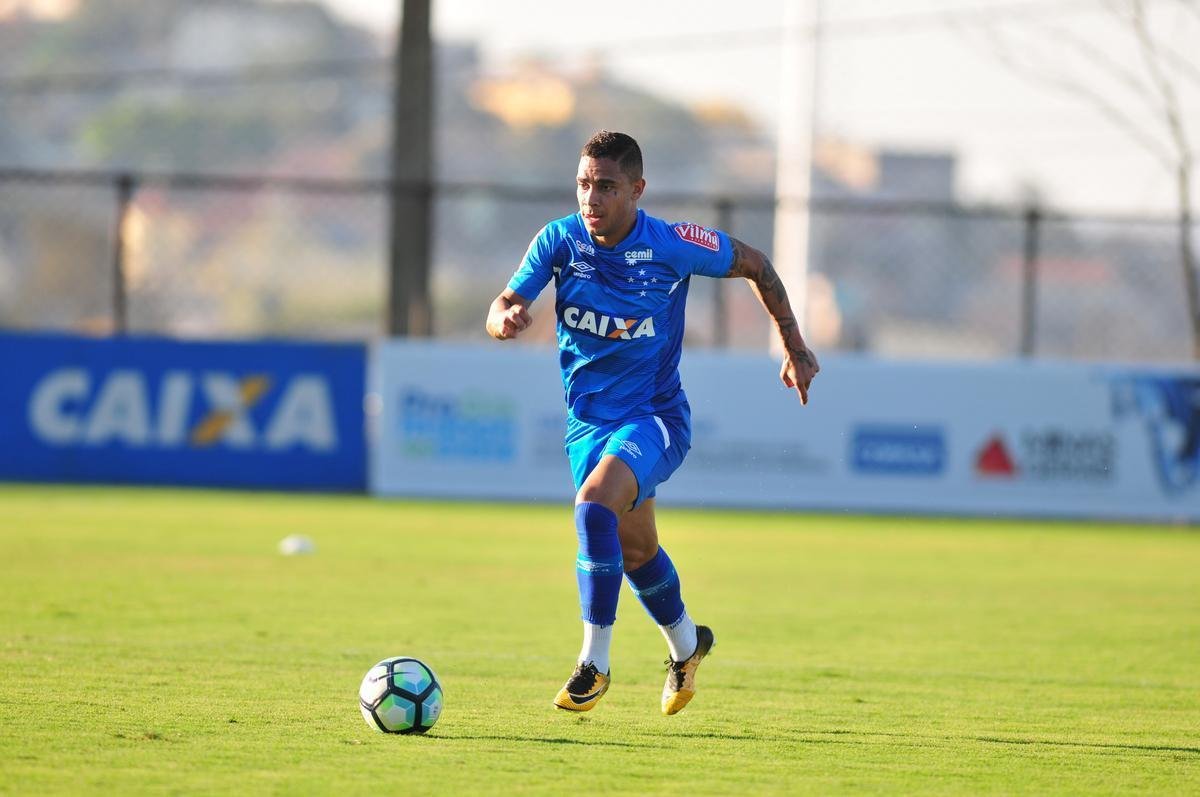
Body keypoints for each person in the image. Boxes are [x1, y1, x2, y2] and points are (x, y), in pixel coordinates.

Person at [485, 130, 819, 715]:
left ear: (637, 190)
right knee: (636, 550)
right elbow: (502, 303)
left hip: (654, 418)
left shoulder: (671, 243)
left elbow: (757, 265)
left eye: (607, 187)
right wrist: (505, 316)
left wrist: (793, 344)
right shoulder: (559, 241)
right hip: (586, 425)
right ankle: (688, 646)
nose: (592, 198)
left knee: (593, 507)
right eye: (585, 184)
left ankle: (595, 661)